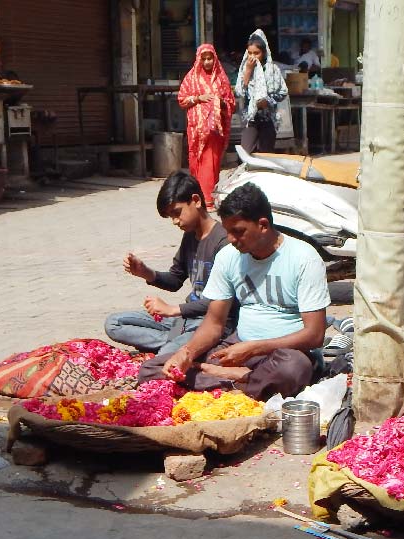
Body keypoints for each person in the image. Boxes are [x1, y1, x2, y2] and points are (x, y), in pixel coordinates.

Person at [137, 182, 330, 400]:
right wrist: (186, 353)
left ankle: (229, 380)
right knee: (153, 369)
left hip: (284, 353)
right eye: (228, 232)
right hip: (238, 349)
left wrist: (254, 348)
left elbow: (315, 335)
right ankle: (242, 380)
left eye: (238, 232)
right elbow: (214, 323)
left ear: (263, 225)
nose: (231, 239)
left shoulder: (304, 258)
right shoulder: (228, 256)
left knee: (292, 369)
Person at [105, 170, 231, 355]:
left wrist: (173, 309)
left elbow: (219, 302)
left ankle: (173, 347)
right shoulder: (190, 236)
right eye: (170, 216)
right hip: (184, 319)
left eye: (176, 213)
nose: (174, 221)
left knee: (167, 355)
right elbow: (175, 280)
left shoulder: (223, 242)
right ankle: (173, 343)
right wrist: (146, 272)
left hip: (210, 325)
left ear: (196, 200)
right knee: (113, 323)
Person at [178, 44, 235, 210]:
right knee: (199, 162)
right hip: (197, 130)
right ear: (198, 59)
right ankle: (200, 197)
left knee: (212, 163)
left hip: (214, 130)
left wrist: (220, 103)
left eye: (210, 58)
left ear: (215, 58)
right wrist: (199, 98)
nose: (207, 62)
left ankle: (210, 198)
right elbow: (182, 99)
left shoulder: (222, 78)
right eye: (204, 58)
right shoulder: (191, 78)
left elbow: (231, 102)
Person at [235, 29, 287, 154]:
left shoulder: (273, 70)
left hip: (268, 118)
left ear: (263, 53)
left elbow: (282, 92)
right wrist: (248, 71)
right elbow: (240, 92)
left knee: (265, 154)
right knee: (246, 152)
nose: (253, 57)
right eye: (250, 53)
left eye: (256, 53)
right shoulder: (245, 68)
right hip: (250, 119)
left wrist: (267, 101)